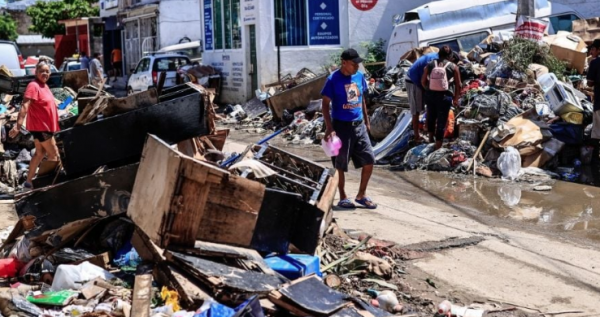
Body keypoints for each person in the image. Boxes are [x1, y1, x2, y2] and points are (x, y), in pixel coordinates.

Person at [321, 49, 377, 209]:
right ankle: (343, 197)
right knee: (340, 164)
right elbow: (325, 105)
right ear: (343, 62)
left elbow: (362, 100)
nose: (356, 67)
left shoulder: (359, 77)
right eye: (354, 64)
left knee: (369, 160)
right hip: (341, 126)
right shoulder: (333, 80)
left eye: (358, 64)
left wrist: (366, 121)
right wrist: (329, 127)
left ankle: (361, 194)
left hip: (358, 125)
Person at [8, 58, 60, 191]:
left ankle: (29, 183)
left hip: (44, 126)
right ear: (36, 72)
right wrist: (18, 126)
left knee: (39, 153)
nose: (45, 74)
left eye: (47, 72)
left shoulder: (44, 86)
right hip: (41, 127)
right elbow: (25, 105)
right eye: (42, 71)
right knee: (54, 156)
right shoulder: (33, 85)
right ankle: (45, 184)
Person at [421, 45, 461, 150]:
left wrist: (428, 89)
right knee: (441, 121)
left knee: (431, 116)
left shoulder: (430, 64)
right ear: (450, 55)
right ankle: (438, 146)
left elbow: (423, 81)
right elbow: (459, 84)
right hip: (445, 96)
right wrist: (456, 98)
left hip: (430, 95)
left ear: (438, 54)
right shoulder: (453, 66)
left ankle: (430, 139)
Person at [406, 51, 439, 143]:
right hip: (413, 80)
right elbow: (426, 74)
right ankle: (416, 135)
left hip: (421, 78)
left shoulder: (437, 57)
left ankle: (427, 128)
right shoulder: (434, 60)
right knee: (416, 109)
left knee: (429, 105)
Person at [586, 40, 600, 164]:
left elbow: (589, 82)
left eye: (593, 49)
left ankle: (595, 161)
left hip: (599, 102)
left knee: (597, 132)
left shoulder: (595, 62)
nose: (591, 52)